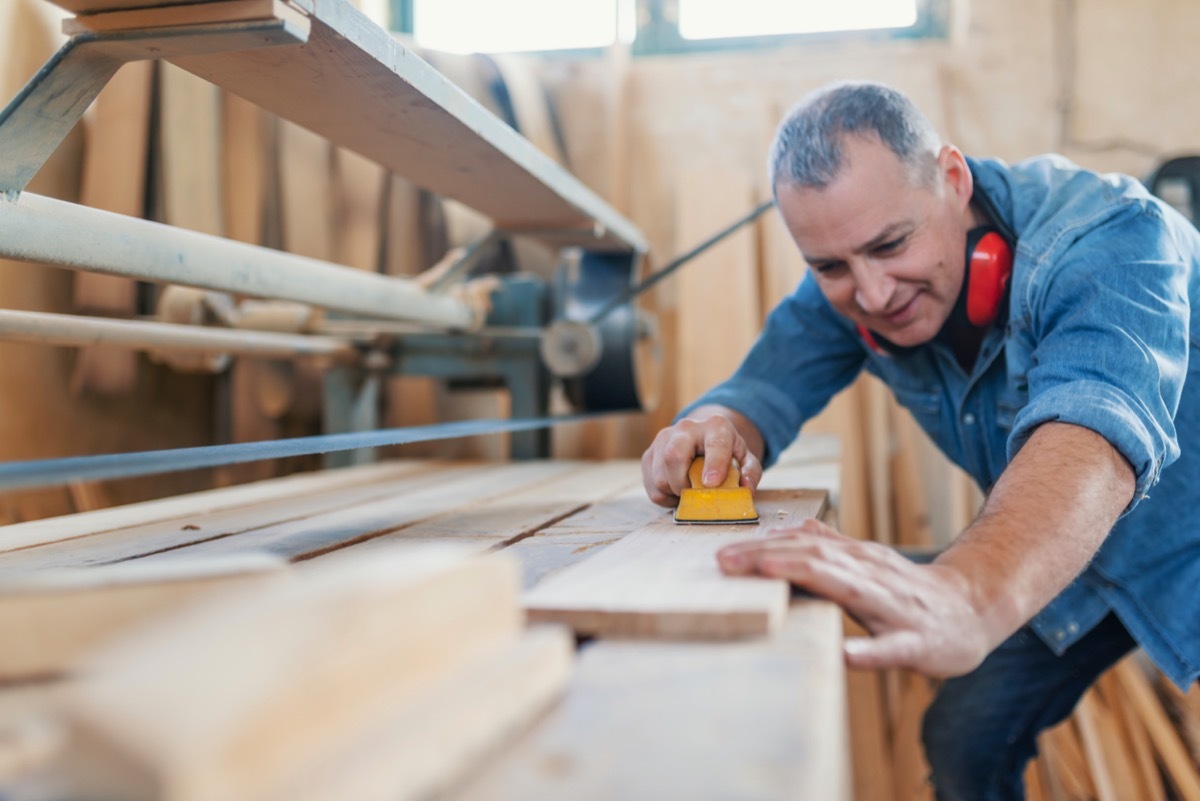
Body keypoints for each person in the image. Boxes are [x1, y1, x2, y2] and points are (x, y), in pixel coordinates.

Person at [640, 80, 1200, 800]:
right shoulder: (853, 282)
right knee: (965, 737)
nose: (871, 295)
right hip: (1069, 562)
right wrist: (711, 428)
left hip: (1182, 541)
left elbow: (1095, 430)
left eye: (891, 244)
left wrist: (966, 593)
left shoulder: (1110, 235)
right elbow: (762, 390)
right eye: (831, 266)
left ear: (953, 178)